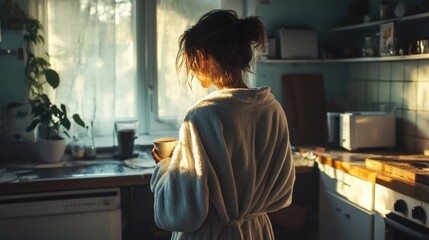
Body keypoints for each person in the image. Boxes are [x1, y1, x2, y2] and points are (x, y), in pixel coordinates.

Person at [150, 9, 295, 240]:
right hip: (256, 232)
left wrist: (165, 166)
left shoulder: (201, 116)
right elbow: (282, 194)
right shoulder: (274, 110)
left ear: (203, 56)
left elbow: (181, 212)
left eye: (192, 58)